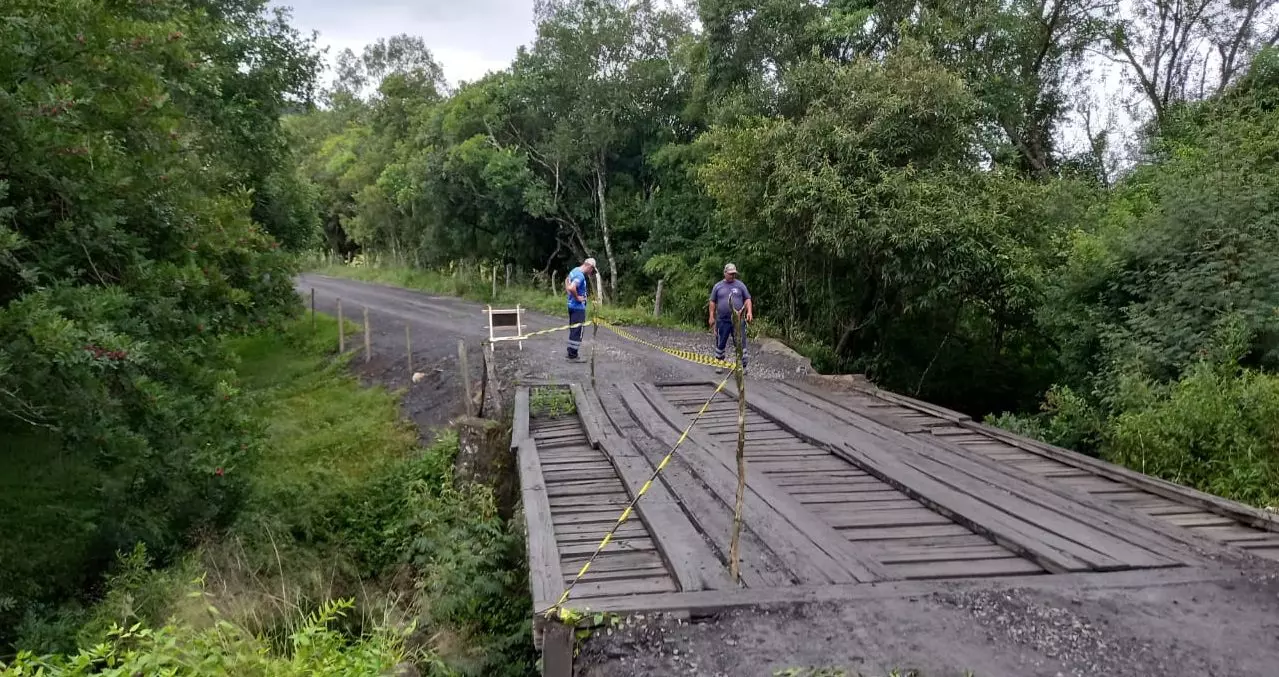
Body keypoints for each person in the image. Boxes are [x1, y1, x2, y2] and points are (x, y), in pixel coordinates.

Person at [708, 262, 752, 373]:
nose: (733, 276)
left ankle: (743, 365)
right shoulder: (718, 286)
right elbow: (712, 302)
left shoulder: (740, 285)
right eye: (731, 274)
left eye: (734, 274)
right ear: (725, 273)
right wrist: (711, 316)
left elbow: (747, 299)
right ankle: (719, 363)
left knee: (740, 342)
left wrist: (749, 312)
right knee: (721, 341)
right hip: (723, 320)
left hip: (737, 320)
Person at [565, 257, 596, 361]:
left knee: (573, 330)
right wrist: (577, 297)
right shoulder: (580, 276)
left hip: (571, 306)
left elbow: (567, 281)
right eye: (592, 269)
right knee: (578, 331)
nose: (591, 272)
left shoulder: (574, 271)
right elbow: (571, 287)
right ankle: (573, 356)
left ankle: (570, 353)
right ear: (589, 266)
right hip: (578, 308)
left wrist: (570, 294)